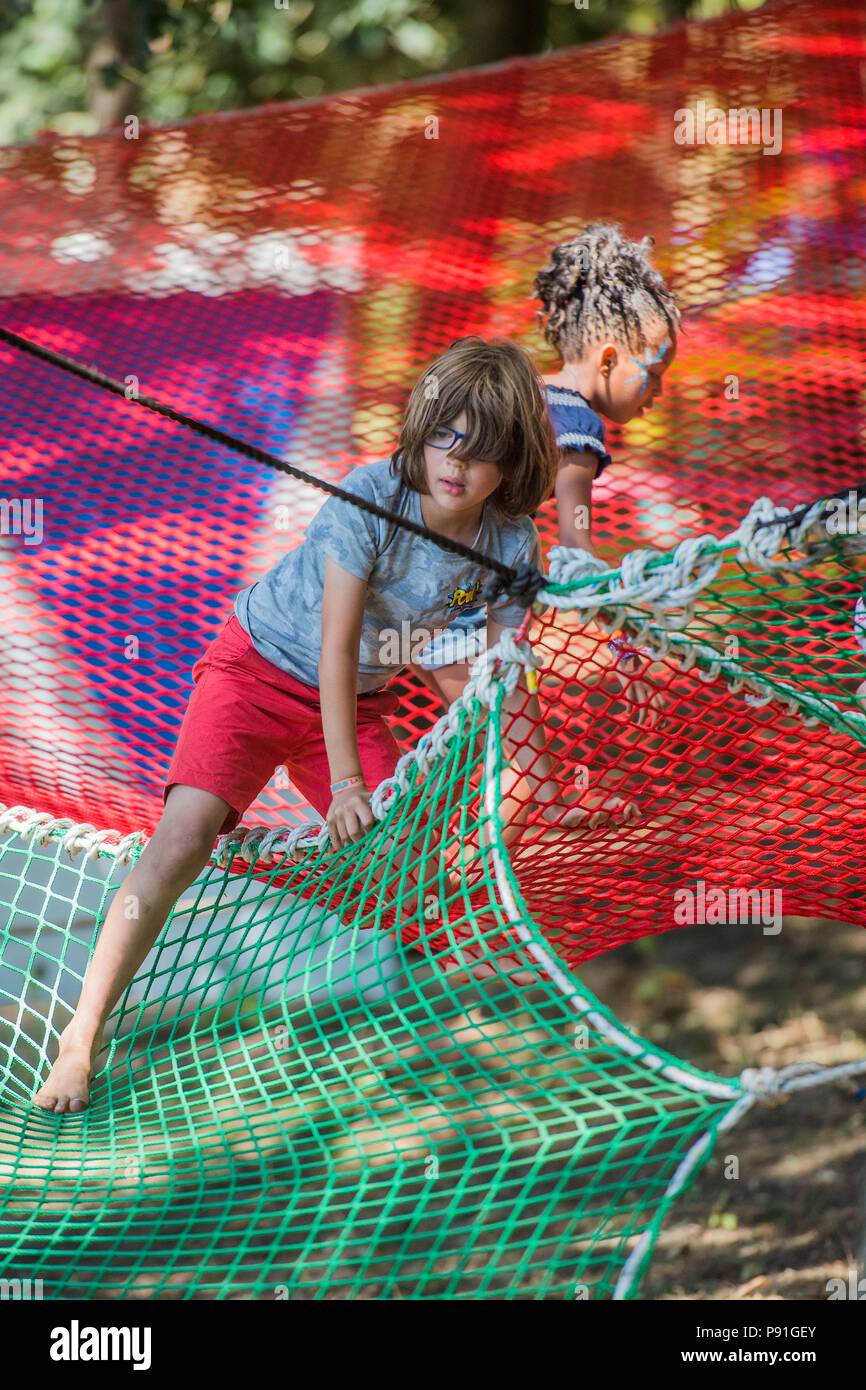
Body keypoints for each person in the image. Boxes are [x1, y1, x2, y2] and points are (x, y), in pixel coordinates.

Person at [35, 335, 596, 1115]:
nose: (455, 464)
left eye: (481, 452)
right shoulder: (372, 497)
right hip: (258, 675)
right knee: (183, 839)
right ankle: (80, 1039)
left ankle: (425, 988)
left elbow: (503, 675)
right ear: (422, 429)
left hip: (361, 701)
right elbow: (335, 648)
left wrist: (534, 783)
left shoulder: (507, 544)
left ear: (514, 464)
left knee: (404, 856)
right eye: (445, 436)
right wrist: (347, 786)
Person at [411, 223, 679, 823]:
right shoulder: (576, 430)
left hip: (421, 577)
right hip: (442, 593)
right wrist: (624, 643)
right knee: (508, 748)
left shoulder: (527, 390)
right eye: (654, 375)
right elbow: (577, 546)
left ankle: (538, 804)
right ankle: (479, 861)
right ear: (609, 359)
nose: (657, 395)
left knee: (511, 746)